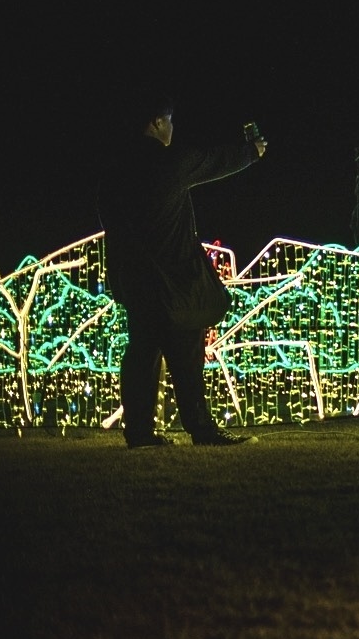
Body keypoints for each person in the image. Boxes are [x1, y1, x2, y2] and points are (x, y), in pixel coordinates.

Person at [97, 90, 267, 447]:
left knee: (142, 352)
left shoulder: (114, 172)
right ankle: (200, 428)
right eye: (169, 120)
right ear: (157, 122)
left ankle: (140, 432)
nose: (172, 127)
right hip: (175, 281)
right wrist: (252, 152)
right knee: (187, 353)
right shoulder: (169, 162)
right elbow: (215, 161)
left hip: (136, 281)